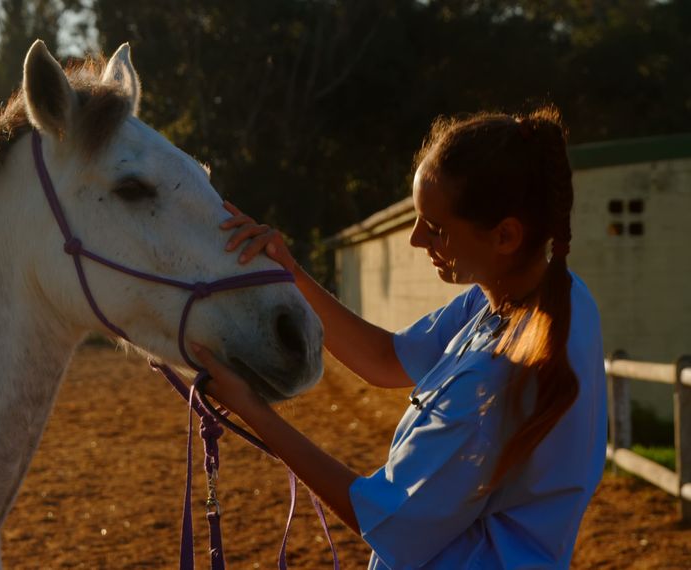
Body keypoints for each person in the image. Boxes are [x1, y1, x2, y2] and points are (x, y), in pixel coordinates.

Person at [191, 106, 607, 569]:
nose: (414, 239)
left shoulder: (495, 383)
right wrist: (291, 273)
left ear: (505, 236)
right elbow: (386, 359)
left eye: (436, 228)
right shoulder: (542, 297)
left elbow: (379, 516)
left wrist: (253, 409)